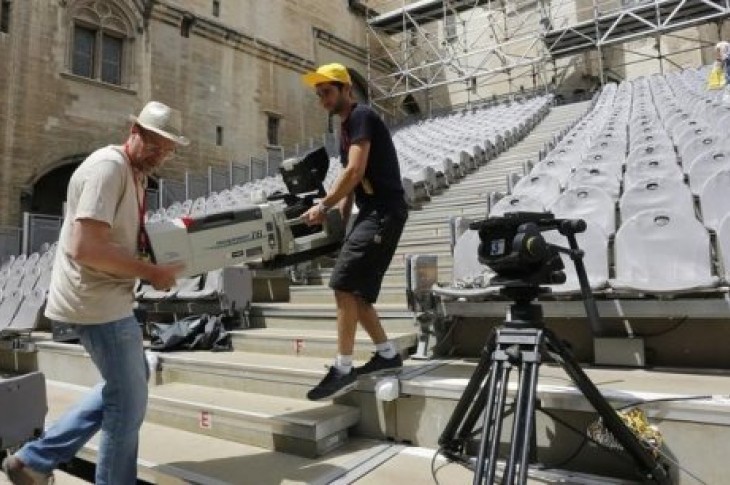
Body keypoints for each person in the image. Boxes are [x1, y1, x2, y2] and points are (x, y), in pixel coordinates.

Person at [2, 101, 188, 484]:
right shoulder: (108, 167)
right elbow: (86, 248)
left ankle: (33, 461)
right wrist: (152, 272)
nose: (160, 155)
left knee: (126, 385)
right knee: (129, 403)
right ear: (134, 132)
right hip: (96, 303)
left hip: (108, 297)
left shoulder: (134, 174)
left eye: (167, 150)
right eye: (154, 144)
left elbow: (112, 240)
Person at [301, 63, 409, 401]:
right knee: (355, 292)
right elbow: (353, 183)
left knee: (343, 283)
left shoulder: (361, 116)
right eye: (319, 95)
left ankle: (343, 369)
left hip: (384, 212)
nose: (323, 100)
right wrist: (342, 227)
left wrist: (323, 205)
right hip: (372, 212)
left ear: (347, 89)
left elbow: (354, 170)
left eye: (328, 92)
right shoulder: (346, 127)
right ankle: (387, 355)